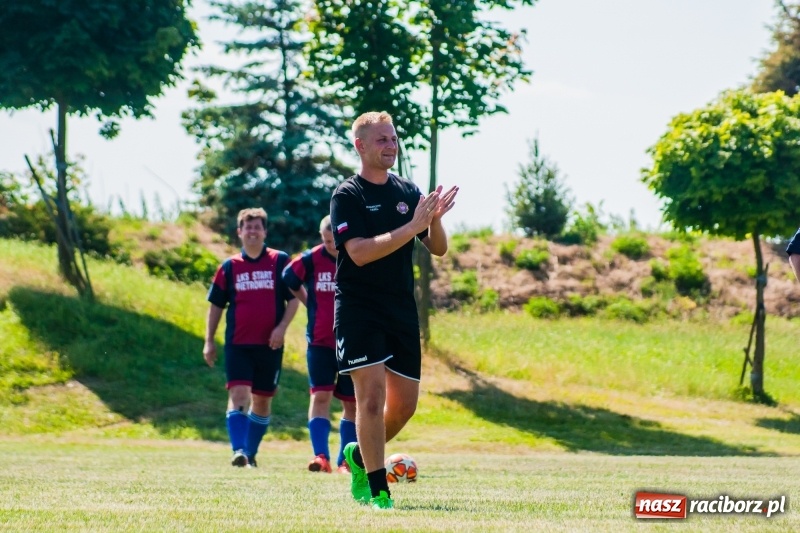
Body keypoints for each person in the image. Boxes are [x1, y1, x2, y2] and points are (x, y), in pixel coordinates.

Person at [330, 111, 458, 509]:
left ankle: (358, 456)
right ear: (361, 146)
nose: (390, 145)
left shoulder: (407, 191)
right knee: (370, 398)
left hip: (401, 310)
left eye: (393, 138)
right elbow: (360, 253)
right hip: (358, 308)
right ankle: (377, 488)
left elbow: (437, 248)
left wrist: (432, 220)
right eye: (381, 139)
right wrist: (410, 227)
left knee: (404, 406)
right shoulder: (347, 196)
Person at [203, 207, 299, 468]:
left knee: (263, 399)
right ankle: (239, 451)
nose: (253, 231)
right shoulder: (229, 267)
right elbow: (215, 306)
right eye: (248, 227)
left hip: (270, 344)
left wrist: (281, 328)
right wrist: (209, 340)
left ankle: (251, 453)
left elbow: (293, 300)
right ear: (240, 232)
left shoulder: (279, 262)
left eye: (257, 227)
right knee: (239, 394)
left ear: (264, 231)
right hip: (238, 344)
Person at [282, 215, 357, 474]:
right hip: (320, 342)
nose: (330, 245)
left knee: (352, 402)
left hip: (353, 342)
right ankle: (320, 457)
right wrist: (309, 301)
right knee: (320, 395)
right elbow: (289, 278)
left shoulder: (356, 254)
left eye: (333, 241)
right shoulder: (311, 259)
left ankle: (346, 461)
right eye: (325, 241)